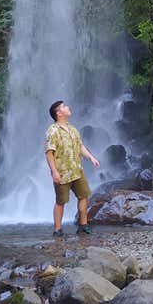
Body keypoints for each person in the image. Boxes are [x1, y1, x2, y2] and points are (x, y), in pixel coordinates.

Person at [45, 100, 100, 237]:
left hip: (77, 170)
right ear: (58, 113)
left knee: (84, 195)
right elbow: (49, 152)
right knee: (61, 201)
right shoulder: (53, 131)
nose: (67, 107)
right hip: (62, 172)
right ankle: (57, 229)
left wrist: (91, 157)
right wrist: (54, 172)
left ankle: (83, 225)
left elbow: (80, 146)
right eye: (64, 107)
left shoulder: (73, 129)